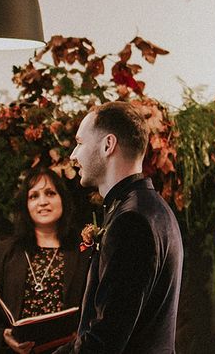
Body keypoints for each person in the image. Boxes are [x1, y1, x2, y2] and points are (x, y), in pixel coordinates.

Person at [54, 101, 183, 354]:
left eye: (80, 143)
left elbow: (105, 339)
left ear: (108, 145)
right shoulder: (152, 208)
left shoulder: (131, 221)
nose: (73, 155)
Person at [0, 166, 90, 354]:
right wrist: (3, 336)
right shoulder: (5, 251)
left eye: (50, 193)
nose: (42, 202)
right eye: (34, 196)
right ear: (25, 205)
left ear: (63, 199)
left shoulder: (83, 250)